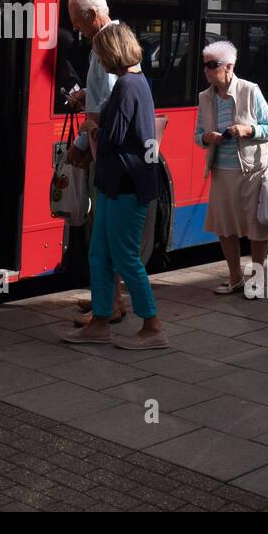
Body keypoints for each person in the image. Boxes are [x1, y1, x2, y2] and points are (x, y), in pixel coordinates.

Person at [62, 23, 167, 350]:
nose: (99, 61)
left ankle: (152, 326)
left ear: (111, 54)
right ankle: (99, 323)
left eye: (100, 54)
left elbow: (112, 139)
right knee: (101, 252)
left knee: (123, 256)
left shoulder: (126, 87)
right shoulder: (135, 83)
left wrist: (92, 128)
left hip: (126, 184)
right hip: (115, 183)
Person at [64, 0, 136, 324]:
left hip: (105, 152)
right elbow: (101, 96)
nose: (75, 28)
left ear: (93, 15)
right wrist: (84, 94)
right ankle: (108, 297)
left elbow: (107, 106)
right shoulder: (107, 42)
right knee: (102, 230)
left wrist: (81, 140)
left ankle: (110, 305)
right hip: (102, 150)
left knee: (105, 233)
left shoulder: (108, 47)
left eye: (77, 21)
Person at [194, 40, 268, 294]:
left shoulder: (250, 90)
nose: (207, 71)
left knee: (256, 228)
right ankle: (235, 278)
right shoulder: (205, 97)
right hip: (221, 171)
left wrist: (248, 130)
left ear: (229, 67)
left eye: (212, 65)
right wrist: (207, 138)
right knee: (225, 227)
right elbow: (197, 135)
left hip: (253, 170)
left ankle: (258, 279)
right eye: (205, 66)